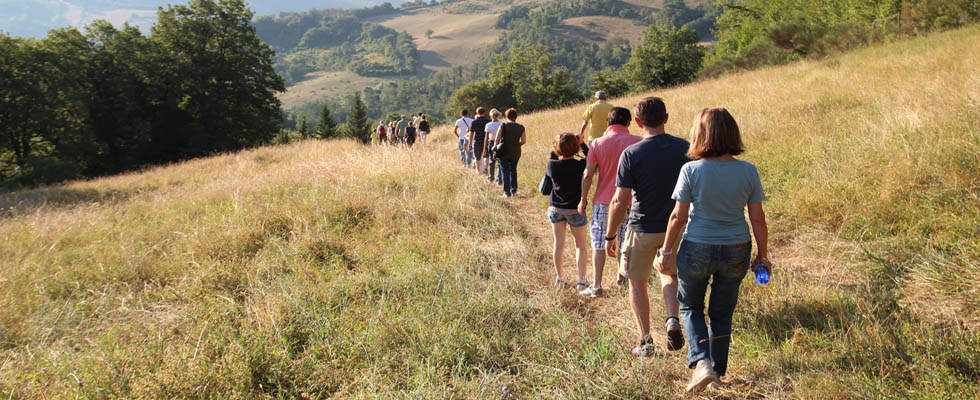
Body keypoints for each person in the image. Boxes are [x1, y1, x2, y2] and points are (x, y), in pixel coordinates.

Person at [656, 108, 769, 393]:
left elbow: (677, 217)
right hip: (737, 247)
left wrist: (666, 252)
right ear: (732, 133)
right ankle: (717, 371)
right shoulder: (748, 170)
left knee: (691, 305)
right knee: (722, 311)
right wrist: (762, 254)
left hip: (697, 246)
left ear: (699, 135)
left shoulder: (691, 170)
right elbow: (757, 217)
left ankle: (702, 363)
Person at [606, 97, 690, 357]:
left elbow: (620, 199)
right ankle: (672, 318)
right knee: (669, 272)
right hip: (675, 225)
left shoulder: (631, 153)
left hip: (641, 226)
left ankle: (645, 340)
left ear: (639, 122)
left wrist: (610, 234)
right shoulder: (685, 148)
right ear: (666, 118)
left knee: (636, 282)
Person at [577, 107, 641, 297]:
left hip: (603, 201)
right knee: (623, 242)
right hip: (629, 201)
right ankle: (622, 278)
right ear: (628, 122)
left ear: (608, 122)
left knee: (599, 244)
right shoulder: (637, 142)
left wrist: (583, 199)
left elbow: (588, 174)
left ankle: (596, 285)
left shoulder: (597, 143)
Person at [546, 133, 591, 290]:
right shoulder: (580, 165)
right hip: (575, 209)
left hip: (556, 207)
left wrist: (557, 144)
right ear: (576, 147)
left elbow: (553, 155)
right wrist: (582, 143)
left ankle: (560, 278)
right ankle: (581, 280)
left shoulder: (552, 165)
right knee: (580, 246)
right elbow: (590, 155)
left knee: (558, 244)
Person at [493, 108, 525, 198]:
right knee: (513, 170)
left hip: (504, 151)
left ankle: (506, 192)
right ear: (516, 116)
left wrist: (495, 150)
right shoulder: (521, 127)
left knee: (505, 171)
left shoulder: (503, 126)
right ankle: (514, 190)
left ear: (507, 116)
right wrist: (516, 144)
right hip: (516, 152)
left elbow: (497, 139)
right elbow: (523, 141)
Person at [467, 107, 491, 174]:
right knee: (486, 155)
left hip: (477, 141)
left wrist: (470, 143)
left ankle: (478, 171)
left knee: (477, 157)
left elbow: (471, 134)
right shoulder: (488, 121)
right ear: (484, 112)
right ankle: (486, 168)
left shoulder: (474, 122)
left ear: (477, 113)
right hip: (486, 141)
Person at [484, 109, 504, 185]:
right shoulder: (502, 123)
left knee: (491, 161)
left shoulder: (488, 125)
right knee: (500, 161)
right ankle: (499, 180)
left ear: (491, 116)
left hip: (491, 142)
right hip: (500, 143)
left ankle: (491, 178)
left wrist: (484, 148)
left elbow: (486, 138)